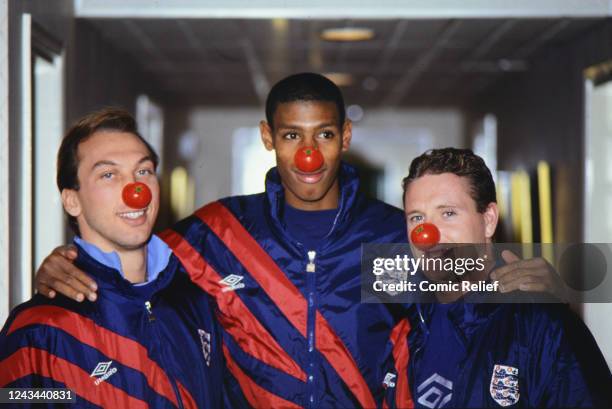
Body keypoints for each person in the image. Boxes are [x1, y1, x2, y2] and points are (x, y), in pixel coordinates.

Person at [33, 74, 560, 408]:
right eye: (291, 136)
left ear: (344, 139)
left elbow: (468, 280)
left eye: (324, 135)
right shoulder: (217, 234)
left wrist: (539, 275)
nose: (308, 155)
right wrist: (63, 259)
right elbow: (131, 261)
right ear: (269, 139)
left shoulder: (388, 237)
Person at [0, 109, 224, 408]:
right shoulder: (42, 328)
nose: (136, 191)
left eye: (143, 171)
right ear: (72, 200)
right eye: (108, 174)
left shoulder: (196, 302)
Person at [402, 148, 611, 408]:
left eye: (448, 213)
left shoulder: (543, 325)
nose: (428, 234)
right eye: (417, 218)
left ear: (488, 220)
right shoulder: (401, 324)